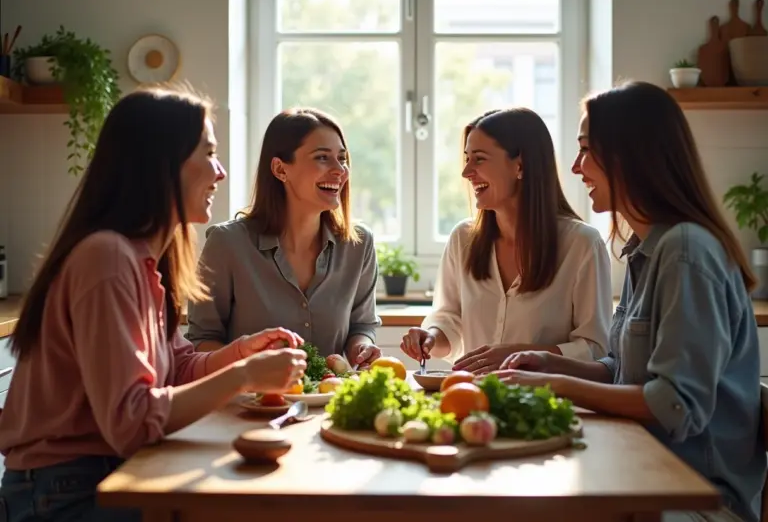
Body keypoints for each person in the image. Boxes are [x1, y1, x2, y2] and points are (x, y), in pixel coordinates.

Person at [0, 84, 308, 522]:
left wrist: (241, 353)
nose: (219, 172)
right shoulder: (106, 258)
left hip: (107, 473)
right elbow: (131, 423)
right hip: (66, 491)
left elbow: (175, 365)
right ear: (161, 164)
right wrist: (242, 375)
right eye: (208, 153)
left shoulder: (145, 257)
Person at [497, 81, 766, 522]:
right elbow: (622, 373)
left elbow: (673, 405)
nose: (576, 166)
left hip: (695, 501)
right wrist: (553, 365)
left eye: (586, 150)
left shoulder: (685, 251)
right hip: (641, 478)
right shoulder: (647, 251)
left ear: (628, 155)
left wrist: (556, 387)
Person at [400, 108, 612, 373]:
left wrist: (524, 356)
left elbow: (596, 349)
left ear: (520, 165)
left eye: (478, 159)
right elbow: (449, 320)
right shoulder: (462, 239)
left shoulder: (582, 245)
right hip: (470, 399)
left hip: (549, 405)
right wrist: (430, 336)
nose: (466, 172)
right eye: (467, 159)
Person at [186, 107, 382, 368]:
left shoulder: (359, 244)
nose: (340, 170)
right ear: (280, 169)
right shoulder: (226, 244)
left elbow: (362, 325)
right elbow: (204, 340)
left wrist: (362, 348)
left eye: (342, 159)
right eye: (322, 158)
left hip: (326, 403)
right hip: (252, 404)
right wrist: (251, 371)